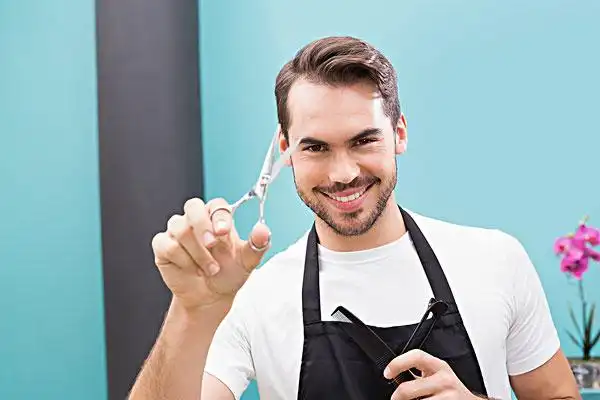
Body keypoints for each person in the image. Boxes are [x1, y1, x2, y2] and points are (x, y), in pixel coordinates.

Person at [129, 36, 581, 400]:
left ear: (399, 133)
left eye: (363, 141)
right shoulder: (250, 298)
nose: (343, 173)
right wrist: (194, 310)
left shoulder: (495, 261)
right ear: (286, 150)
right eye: (316, 147)